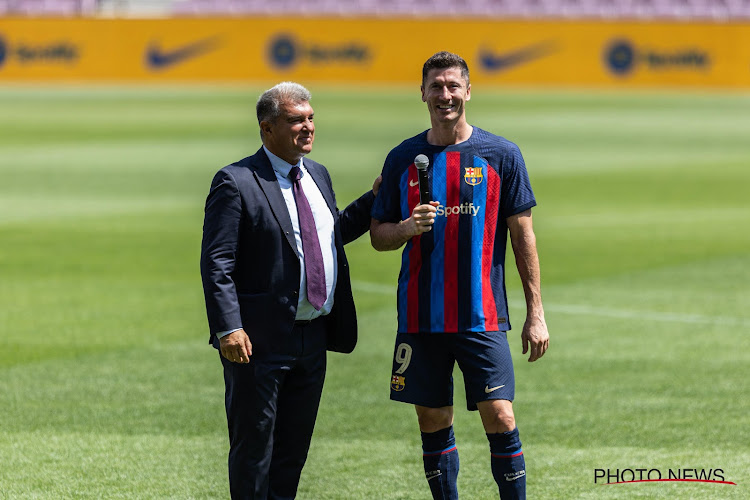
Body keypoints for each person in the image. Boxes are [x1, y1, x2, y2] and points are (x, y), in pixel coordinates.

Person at [370, 51, 549, 499]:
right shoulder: (402, 158)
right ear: (423, 94)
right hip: (420, 317)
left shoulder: (501, 155)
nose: (445, 95)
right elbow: (378, 234)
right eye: (436, 86)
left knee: (501, 416)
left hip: (481, 315)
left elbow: (523, 235)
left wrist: (536, 313)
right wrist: (407, 228)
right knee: (432, 420)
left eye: (453, 86)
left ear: (468, 91)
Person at [200, 81, 379, 500]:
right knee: (255, 450)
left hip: (313, 336)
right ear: (267, 129)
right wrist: (228, 327)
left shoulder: (318, 174)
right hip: (259, 341)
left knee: (292, 452)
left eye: (311, 117)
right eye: (295, 120)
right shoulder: (236, 181)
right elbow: (217, 262)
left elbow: (329, 234)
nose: (308, 127)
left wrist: (372, 200)